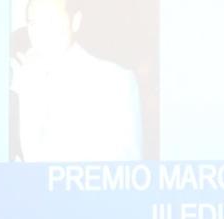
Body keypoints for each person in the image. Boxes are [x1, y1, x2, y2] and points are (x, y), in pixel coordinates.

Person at [11, 0, 143, 162]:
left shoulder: (114, 81)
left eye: (51, 21)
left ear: (75, 21)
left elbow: (125, 169)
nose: (40, 31)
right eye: (33, 23)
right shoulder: (25, 78)